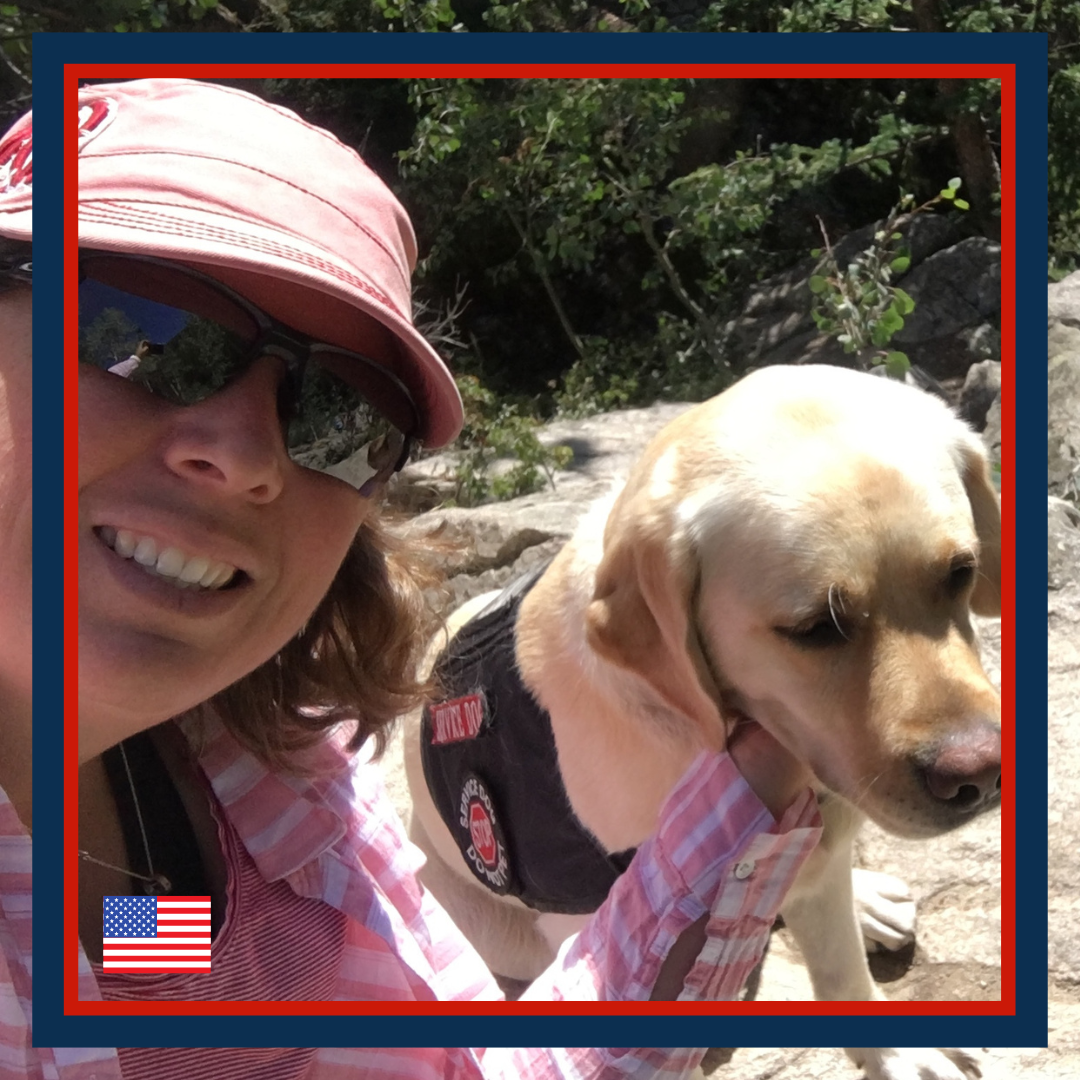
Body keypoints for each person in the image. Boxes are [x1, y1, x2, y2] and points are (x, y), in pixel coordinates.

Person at [10, 79, 821, 1078]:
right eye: (149, 330)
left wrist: (750, 783)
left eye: (340, 414)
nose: (249, 453)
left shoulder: (246, 767)